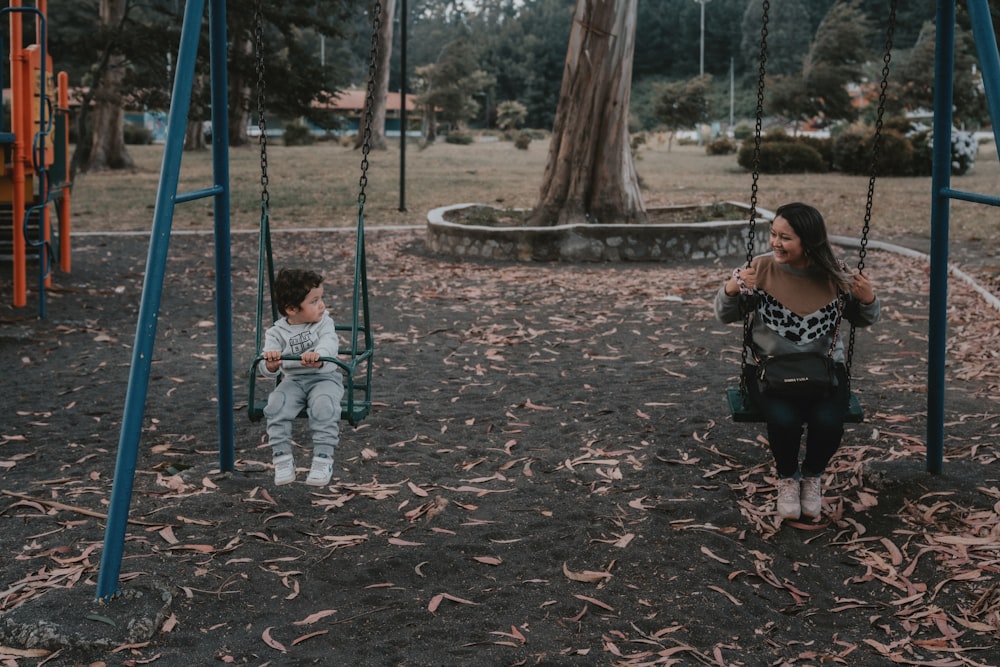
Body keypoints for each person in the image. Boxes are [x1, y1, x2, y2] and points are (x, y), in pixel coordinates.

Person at [714, 202, 880, 521]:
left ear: (809, 241)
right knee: (785, 420)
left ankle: (812, 477)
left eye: (785, 237)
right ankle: (788, 478)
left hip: (824, 369)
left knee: (829, 422)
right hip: (768, 370)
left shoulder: (835, 275)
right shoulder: (760, 269)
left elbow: (862, 319)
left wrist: (868, 298)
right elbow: (725, 314)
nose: (775, 243)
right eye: (773, 234)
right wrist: (731, 289)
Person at [258, 268, 344, 487]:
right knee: (275, 405)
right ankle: (282, 458)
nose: (322, 305)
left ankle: (323, 459)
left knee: (324, 406)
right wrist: (270, 363)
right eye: (314, 301)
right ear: (291, 309)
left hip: (324, 379)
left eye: (321, 298)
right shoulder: (276, 333)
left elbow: (329, 342)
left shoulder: (324, 322)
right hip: (293, 382)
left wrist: (321, 355)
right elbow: (265, 363)